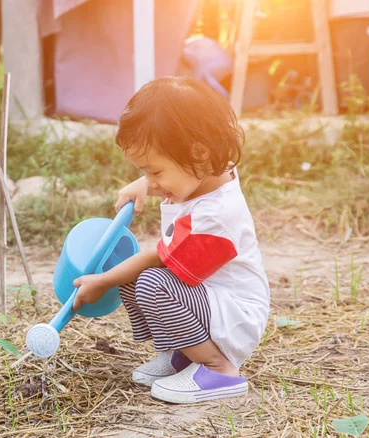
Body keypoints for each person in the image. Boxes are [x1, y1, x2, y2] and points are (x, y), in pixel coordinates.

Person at [71, 76, 270, 404]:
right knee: (137, 278)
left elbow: (159, 259)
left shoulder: (217, 214)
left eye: (155, 171)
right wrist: (147, 183)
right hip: (209, 300)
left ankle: (219, 367)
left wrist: (103, 281)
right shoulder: (208, 173)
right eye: (144, 171)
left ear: (199, 153)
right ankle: (182, 355)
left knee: (148, 281)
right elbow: (185, 169)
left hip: (235, 315)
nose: (151, 181)